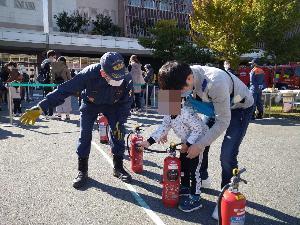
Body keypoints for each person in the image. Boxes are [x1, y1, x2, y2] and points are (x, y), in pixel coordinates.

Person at [20, 52, 133, 188]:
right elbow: (64, 90)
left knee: (119, 132)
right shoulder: (89, 73)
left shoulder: (126, 76)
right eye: (114, 78)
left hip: (113, 105)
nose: (118, 81)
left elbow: (126, 101)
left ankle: (118, 168)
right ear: (103, 73)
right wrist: (40, 107)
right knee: (85, 135)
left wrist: (120, 121)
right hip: (90, 104)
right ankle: (82, 171)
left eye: (120, 77)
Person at [158, 61, 254, 220]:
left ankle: (225, 198)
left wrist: (200, 144)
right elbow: (168, 112)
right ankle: (202, 177)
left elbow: (223, 121)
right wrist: (163, 131)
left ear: (189, 79)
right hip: (212, 106)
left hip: (239, 108)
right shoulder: (174, 78)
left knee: (227, 155)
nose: (177, 96)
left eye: (179, 92)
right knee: (198, 139)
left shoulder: (216, 82)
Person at [140, 102, 208, 212]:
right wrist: (148, 142)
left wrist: (188, 144)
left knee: (194, 169)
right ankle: (185, 187)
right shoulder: (169, 113)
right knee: (183, 164)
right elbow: (163, 127)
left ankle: (196, 198)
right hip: (186, 140)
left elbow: (198, 129)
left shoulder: (186, 113)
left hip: (199, 141)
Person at [51, 56, 72, 120]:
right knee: (67, 101)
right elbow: (70, 78)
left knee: (58, 100)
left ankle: (59, 115)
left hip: (58, 87)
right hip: (66, 87)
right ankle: (67, 115)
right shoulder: (66, 68)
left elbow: (52, 78)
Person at [38, 50, 57, 118]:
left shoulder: (44, 63)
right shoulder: (49, 63)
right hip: (49, 83)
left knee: (46, 97)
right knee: (50, 98)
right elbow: (50, 74)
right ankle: (50, 114)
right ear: (51, 56)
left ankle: (46, 113)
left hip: (44, 83)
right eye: (54, 57)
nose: (55, 58)